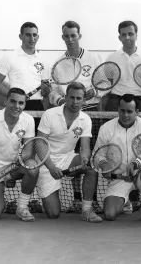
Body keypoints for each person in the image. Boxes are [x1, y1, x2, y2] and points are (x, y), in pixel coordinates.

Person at [36, 82, 102, 222]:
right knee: (53, 214)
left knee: (91, 169)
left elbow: (85, 147)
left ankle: (86, 210)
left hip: (67, 158)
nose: (75, 102)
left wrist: (84, 159)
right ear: (65, 97)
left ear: (84, 100)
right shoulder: (49, 114)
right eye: (72, 97)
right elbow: (40, 144)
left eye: (79, 98)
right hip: (46, 162)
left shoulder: (85, 119)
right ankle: (44, 193)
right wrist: (51, 167)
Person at [94, 94, 141, 223]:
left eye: (129, 111)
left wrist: (135, 164)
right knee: (109, 214)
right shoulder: (106, 128)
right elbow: (98, 155)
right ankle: (129, 201)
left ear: (136, 112)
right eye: (122, 111)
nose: (125, 115)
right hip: (119, 180)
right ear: (118, 110)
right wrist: (104, 165)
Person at [0, 88, 39, 221]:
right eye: (13, 101)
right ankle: (2, 197)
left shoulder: (28, 120)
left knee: (33, 167)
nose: (17, 106)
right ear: (5, 101)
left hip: (15, 167)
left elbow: (28, 149)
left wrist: (20, 161)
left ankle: (21, 207)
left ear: (24, 105)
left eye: (21, 103)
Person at [0, 22, 50, 111]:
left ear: (38, 37)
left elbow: (45, 93)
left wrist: (46, 91)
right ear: (20, 36)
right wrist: (15, 97)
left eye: (34, 35)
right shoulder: (9, 57)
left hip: (37, 105)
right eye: (28, 35)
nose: (32, 38)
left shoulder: (44, 60)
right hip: (15, 105)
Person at [48, 21, 102, 111]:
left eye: (73, 35)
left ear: (79, 36)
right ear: (63, 37)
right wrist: (60, 101)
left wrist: (95, 91)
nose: (70, 39)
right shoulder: (57, 64)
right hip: (67, 110)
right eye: (67, 36)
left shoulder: (94, 58)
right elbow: (53, 90)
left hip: (90, 108)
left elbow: (104, 82)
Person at [103, 21, 141, 112]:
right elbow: (108, 81)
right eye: (124, 34)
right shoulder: (111, 58)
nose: (127, 38)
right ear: (119, 37)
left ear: (136, 35)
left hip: (140, 101)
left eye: (130, 34)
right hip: (115, 102)